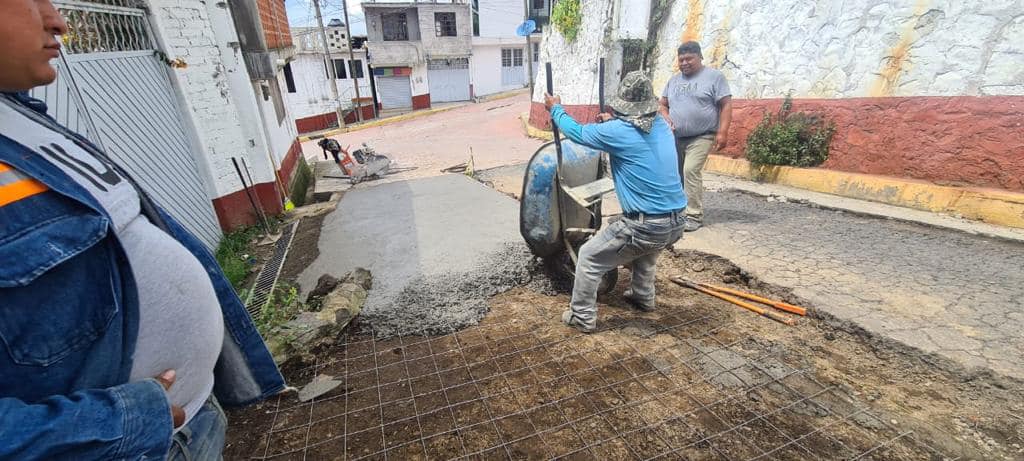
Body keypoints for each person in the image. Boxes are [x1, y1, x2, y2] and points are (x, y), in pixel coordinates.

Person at [0, 1, 285, 459]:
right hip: (129, 443)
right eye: (32, 2)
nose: (57, 20)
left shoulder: (21, 118)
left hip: (187, 420)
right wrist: (124, 420)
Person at [545, 70, 687, 333]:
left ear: (624, 105)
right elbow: (636, 134)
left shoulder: (618, 132)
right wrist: (611, 122)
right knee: (645, 251)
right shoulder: (662, 125)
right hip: (677, 221)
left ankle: (582, 316)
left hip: (647, 225)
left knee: (589, 257)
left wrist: (556, 109)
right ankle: (643, 296)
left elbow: (575, 132)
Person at [659, 41, 732, 232]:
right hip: (675, 137)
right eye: (681, 59)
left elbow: (725, 104)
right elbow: (662, 104)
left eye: (689, 59)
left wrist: (723, 132)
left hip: (702, 135)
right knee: (675, 174)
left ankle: (693, 215)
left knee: (690, 170)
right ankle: (676, 211)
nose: (684, 63)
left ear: (700, 57)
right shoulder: (674, 81)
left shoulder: (714, 77)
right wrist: (666, 117)